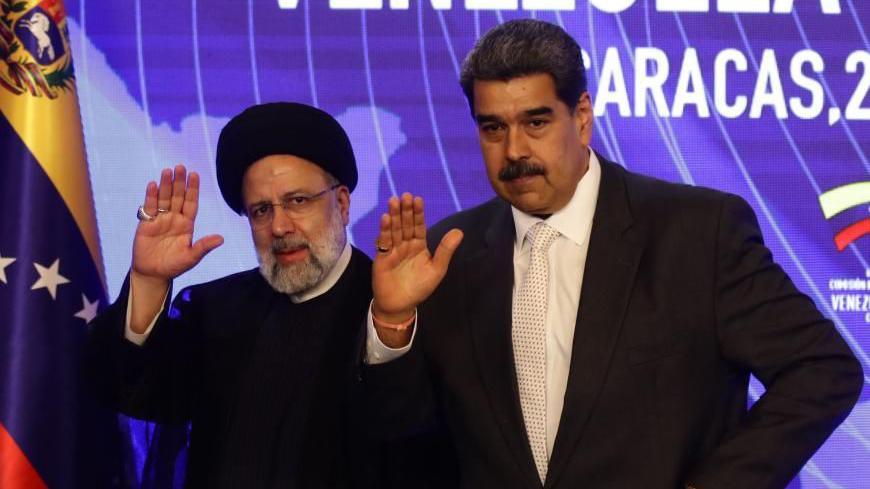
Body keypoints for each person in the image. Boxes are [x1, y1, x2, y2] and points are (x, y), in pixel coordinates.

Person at [363, 19, 863, 489]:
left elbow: (823, 369)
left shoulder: (697, 233)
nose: (513, 150)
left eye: (535, 122)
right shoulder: (447, 254)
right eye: (493, 128)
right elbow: (406, 438)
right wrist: (392, 322)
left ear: (581, 118)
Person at [86, 102, 376, 488]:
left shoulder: (390, 306)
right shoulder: (216, 311)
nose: (279, 226)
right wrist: (149, 280)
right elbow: (130, 389)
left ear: (341, 203)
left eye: (298, 201)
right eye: (260, 211)